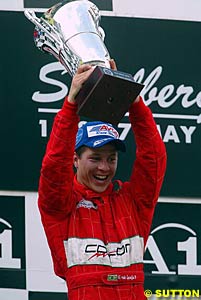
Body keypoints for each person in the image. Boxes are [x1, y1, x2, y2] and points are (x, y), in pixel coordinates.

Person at [38, 60, 167, 300]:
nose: (104, 167)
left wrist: (132, 100)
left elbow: (154, 157)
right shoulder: (61, 207)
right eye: (95, 158)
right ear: (75, 159)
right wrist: (70, 107)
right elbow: (54, 166)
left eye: (111, 159)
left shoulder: (133, 202)